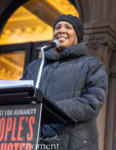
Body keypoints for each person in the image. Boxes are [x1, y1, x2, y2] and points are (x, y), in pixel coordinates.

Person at [21, 14, 108, 150]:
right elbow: (21, 97)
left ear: (77, 35)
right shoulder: (35, 66)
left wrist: (50, 110)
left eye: (68, 27)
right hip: (33, 143)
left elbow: (92, 102)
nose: (61, 30)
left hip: (73, 145)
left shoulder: (92, 65)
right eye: (57, 27)